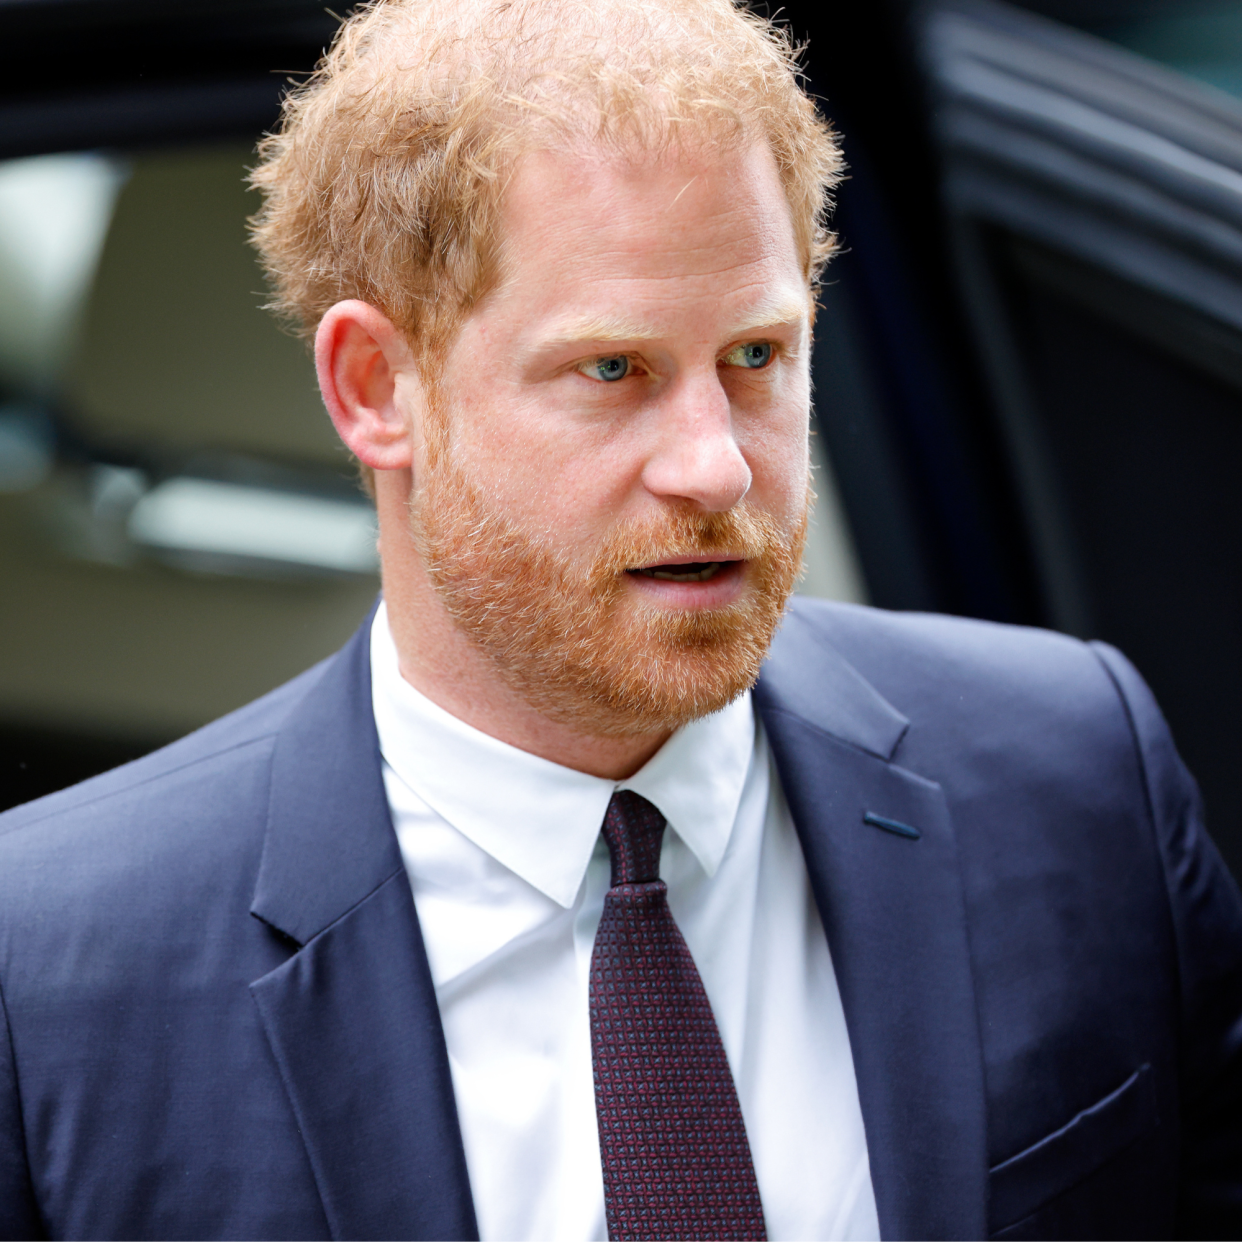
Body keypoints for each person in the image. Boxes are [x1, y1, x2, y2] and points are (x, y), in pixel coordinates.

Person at [1, 0, 1240, 1237]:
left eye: (757, 356)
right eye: (612, 370)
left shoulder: (1079, 775)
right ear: (378, 390)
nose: (715, 467)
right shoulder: (54, 975)